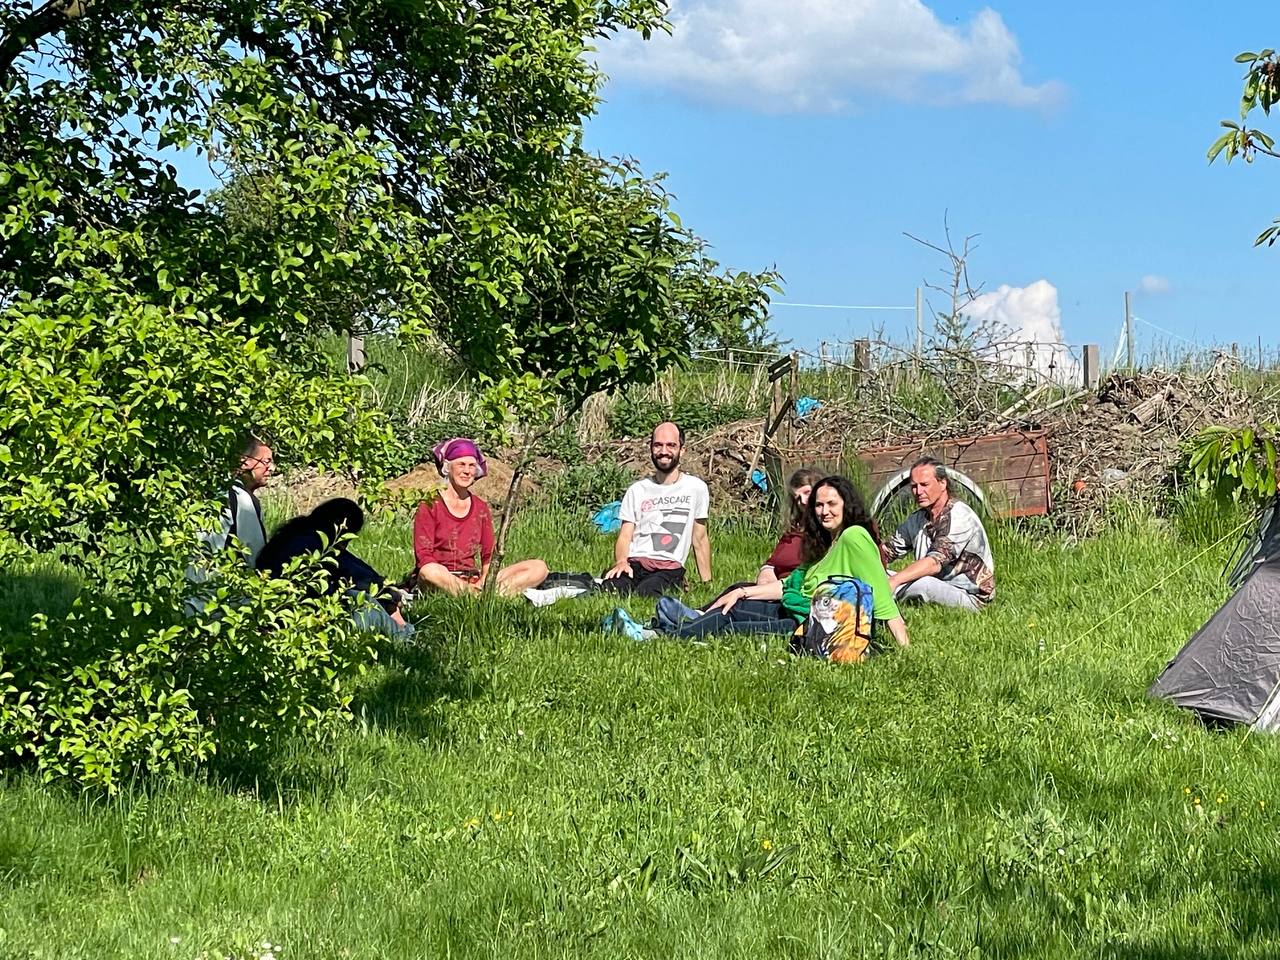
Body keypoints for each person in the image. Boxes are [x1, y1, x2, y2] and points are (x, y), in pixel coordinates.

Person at [630, 476, 909, 648]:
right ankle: (668, 623)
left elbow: (881, 594)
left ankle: (662, 633)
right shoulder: (827, 542)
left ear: (846, 505)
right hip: (794, 610)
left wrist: (904, 646)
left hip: (810, 626)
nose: (824, 511)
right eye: (819, 505)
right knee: (734, 605)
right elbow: (790, 585)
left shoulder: (854, 537)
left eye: (831, 505)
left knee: (727, 626)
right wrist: (742, 592)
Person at [257, 497, 413, 636]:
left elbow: (352, 564)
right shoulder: (317, 544)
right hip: (299, 614)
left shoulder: (298, 533)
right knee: (364, 602)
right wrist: (390, 595)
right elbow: (356, 574)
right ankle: (404, 635)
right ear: (342, 529)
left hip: (270, 608)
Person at [413, 437, 548, 597]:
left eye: (471, 466)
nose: (467, 471)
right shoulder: (430, 505)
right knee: (429, 570)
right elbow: (424, 556)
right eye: (461, 464)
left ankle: (479, 595)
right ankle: (481, 596)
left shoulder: (480, 507)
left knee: (539, 567)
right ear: (447, 468)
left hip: (473, 579)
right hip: (441, 579)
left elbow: (488, 554)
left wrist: (484, 579)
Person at [600, 421, 711, 597]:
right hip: (635, 563)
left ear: (682, 450)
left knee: (648, 594)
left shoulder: (696, 488)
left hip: (668, 567)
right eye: (658, 445)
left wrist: (707, 584)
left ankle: (679, 583)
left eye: (671, 445)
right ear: (651, 449)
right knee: (609, 590)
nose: (664, 451)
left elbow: (700, 538)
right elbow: (625, 536)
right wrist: (621, 562)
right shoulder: (637, 490)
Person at [884, 457, 995, 611]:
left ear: (943, 483)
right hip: (933, 584)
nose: (918, 492)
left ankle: (883, 594)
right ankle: (880, 591)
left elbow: (934, 563)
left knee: (923, 585)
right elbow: (887, 550)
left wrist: (895, 580)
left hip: (969, 597)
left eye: (925, 485)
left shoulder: (960, 516)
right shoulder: (917, 519)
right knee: (877, 575)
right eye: (914, 486)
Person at [195, 434, 272, 569]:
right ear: (245, 461)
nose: (272, 468)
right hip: (220, 585)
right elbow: (256, 554)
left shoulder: (209, 490)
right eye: (266, 461)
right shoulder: (242, 499)